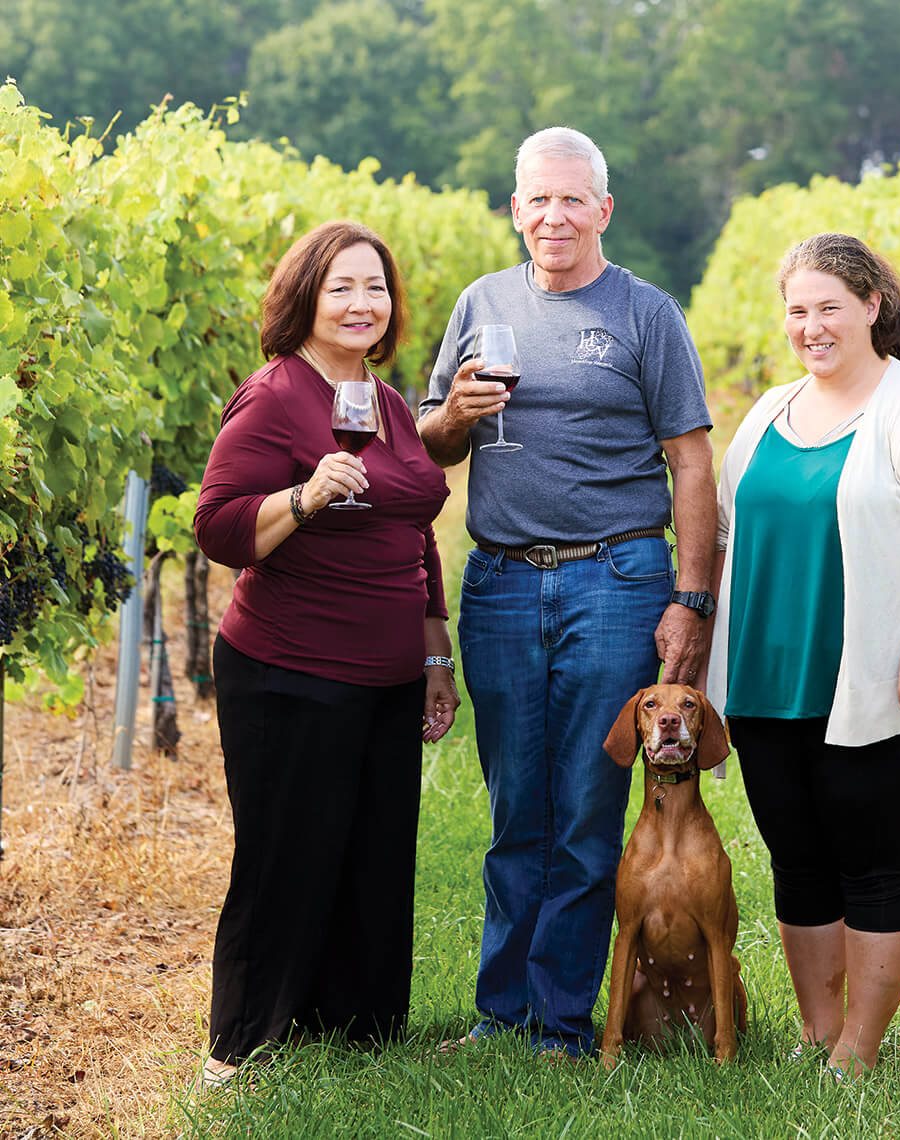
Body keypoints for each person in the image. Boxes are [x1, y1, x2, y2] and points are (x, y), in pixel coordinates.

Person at [418, 127, 718, 1059]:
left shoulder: (645, 312)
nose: (554, 216)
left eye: (571, 199)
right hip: (503, 580)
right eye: (538, 200)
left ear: (602, 210)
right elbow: (429, 443)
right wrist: (454, 414)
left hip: (616, 576)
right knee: (515, 808)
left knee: (588, 808)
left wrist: (692, 598)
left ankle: (559, 1021)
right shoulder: (480, 303)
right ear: (516, 209)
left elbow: (691, 461)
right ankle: (499, 1011)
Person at [706, 232, 900, 1079]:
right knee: (797, 860)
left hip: (879, 683)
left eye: (829, 307)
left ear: (872, 306)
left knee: (873, 861)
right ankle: (818, 1033)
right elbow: (725, 534)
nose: (812, 326)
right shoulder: (767, 412)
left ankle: (859, 1053)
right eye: (798, 310)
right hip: (765, 680)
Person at [194, 220, 459, 1085]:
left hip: (388, 677)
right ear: (304, 297)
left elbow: (413, 529)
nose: (360, 303)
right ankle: (242, 1044)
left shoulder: (386, 401)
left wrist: (434, 654)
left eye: (374, 287)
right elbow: (218, 527)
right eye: (340, 286)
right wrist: (304, 498)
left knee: (373, 857)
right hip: (290, 671)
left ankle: (356, 1033)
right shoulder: (273, 397)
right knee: (285, 859)